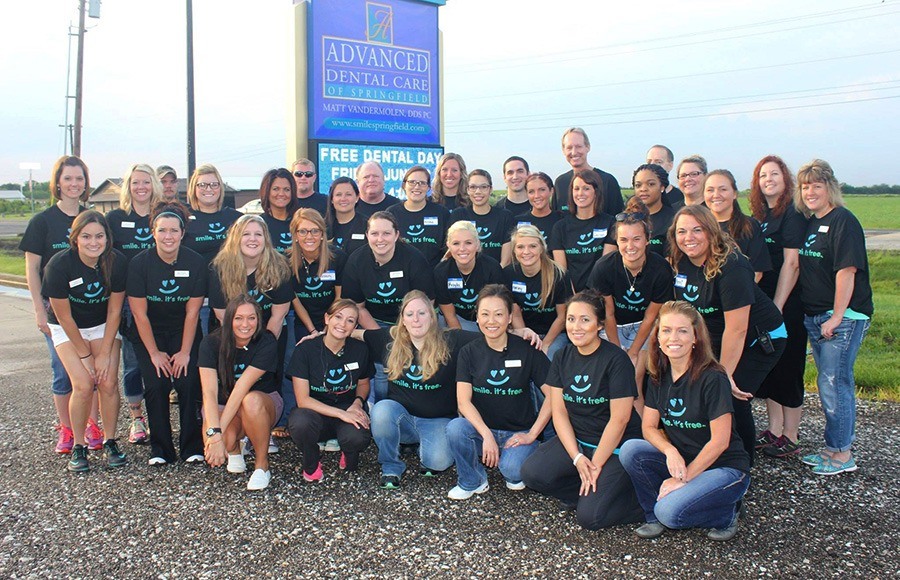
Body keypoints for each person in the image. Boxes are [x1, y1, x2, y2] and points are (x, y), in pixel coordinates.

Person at [620, 301, 751, 542]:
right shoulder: (659, 375)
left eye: (682, 331)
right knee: (631, 450)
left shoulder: (713, 377)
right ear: (658, 336)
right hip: (684, 458)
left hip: (724, 467)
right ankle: (652, 515)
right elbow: (648, 427)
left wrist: (685, 477)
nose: (674, 337)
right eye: (666, 330)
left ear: (695, 337)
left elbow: (720, 442)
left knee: (671, 514)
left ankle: (726, 512)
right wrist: (670, 450)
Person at [668, 205, 785, 463]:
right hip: (718, 336)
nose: (689, 237)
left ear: (711, 231)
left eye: (697, 230)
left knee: (731, 395)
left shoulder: (732, 266)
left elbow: (738, 327)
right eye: (682, 231)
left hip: (760, 338)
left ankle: (742, 466)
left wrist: (725, 374)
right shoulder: (682, 262)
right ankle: (710, 452)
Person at [520, 291, 644, 530]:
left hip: (617, 446)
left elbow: (619, 421)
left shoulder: (616, 360)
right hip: (581, 440)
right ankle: (588, 490)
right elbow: (559, 412)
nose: (576, 326)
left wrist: (595, 465)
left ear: (599, 324)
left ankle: (647, 503)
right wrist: (577, 458)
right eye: (571, 319)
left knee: (591, 518)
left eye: (585, 320)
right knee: (532, 473)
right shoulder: (563, 355)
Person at [794, 159, 873, 475]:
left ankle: (842, 454)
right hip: (816, 316)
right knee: (828, 382)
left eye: (816, 185)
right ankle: (831, 448)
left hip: (842, 317)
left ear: (830, 187)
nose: (810, 191)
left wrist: (837, 316)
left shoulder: (843, 221)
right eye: (805, 186)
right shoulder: (812, 222)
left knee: (834, 382)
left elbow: (847, 270)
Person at [364, 290, 479, 489]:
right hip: (402, 420)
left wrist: (521, 332)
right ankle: (391, 466)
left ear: (432, 317)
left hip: (437, 420)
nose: (416, 319)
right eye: (409, 314)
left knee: (439, 462)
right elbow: (354, 334)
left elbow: (491, 337)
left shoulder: (453, 340)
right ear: (403, 320)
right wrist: (319, 335)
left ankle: (424, 448)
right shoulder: (389, 340)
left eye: (422, 313)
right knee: (381, 410)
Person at [42, 211, 129, 471]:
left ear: (107, 238)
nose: (94, 242)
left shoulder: (117, 262)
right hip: (68, 328)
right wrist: (85, 355)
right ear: (75, 238)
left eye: (99, 236)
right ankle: (79, 445)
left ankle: (110, 440)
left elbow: (115, 311)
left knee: (108, 382)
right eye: (87, 236)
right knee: (82, 384)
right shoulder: (58, 265)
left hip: (103, 325)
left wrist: (103, 353)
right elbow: (64, 317)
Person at [20, 155, 95, 454]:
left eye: (79, 178)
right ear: (58, 183)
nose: (74, 184)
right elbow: (31, 269)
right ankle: (66, 428)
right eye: (68, 178)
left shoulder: (91, 218)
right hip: (56, 314)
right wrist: (39, 309)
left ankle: (91, 424)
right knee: (64, 372)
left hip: (91, 310)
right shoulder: (43, 221)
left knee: (93, 374)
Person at [446, 285, 551, 499]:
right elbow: (463, 402)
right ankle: (472, 480)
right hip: (483, 430)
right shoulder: (469, 352)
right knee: (455, 428)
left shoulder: (527, 348)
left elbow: (554, 395)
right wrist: (486, 435)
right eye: (485, 314)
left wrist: (531, 434)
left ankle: (517, 457)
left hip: (518, 432)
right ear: (477, 318)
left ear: (510, 317)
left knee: (511, 472)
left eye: (499, 314)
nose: (491, 321)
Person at [126, 202, 207, 465]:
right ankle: (161, 449)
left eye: (174, 230)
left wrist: (184, 352)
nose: (168, 236)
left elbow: (193, 313)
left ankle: (191, 446)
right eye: (163, 231)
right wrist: (154, 353)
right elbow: (139, 314)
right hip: (150, 331)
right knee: (157, 382)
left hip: (184, 329)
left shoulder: (195, 262)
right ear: (153, 232)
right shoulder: (139, 264)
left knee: (187, 381)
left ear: (183, 233)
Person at [748, 155, 808, 458]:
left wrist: (778, 306)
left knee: (789, 366)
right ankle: (773, 429)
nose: (768, 179)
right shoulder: (762, 216)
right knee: (770, 365)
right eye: (762, 175)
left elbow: (792, 263)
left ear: (785, 179)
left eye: (774, 174)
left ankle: (791, 434)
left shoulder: (792, 214)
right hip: (765, 302)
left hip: (786, 304)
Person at [588, 198, 673, 410]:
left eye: (636, 239)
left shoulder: (660, 268)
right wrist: (618, 351)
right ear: (617, 241)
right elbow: (608, 314)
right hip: (613, 326)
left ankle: (643, 432)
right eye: (624, 240)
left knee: (633, 378)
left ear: (647, 240)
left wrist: (633, 352)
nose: (630, 246)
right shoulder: (604, 267)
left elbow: (651, 316)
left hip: (643, 327)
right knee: (609, 376)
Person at [199, 295, 282, 490]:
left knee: (250, 400)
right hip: (224, 403)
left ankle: (262, 465)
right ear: (229, 319)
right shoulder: (211, 343)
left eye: (251, 318)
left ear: (258, 319)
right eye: (238, 318)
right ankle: (235, 449)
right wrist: (215, 436)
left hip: (262, 403)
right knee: (219, 438)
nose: (245, 324)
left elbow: (240, 388)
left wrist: (216, 435)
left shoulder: (266, 341)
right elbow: (209, 392)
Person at [107, 163, 163, 444]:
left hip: (164, 298)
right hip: (130, 303)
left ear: (154, 184)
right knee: (132, 362)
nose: (141, 187)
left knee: (161, 358)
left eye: (146, 182)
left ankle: (161, 415)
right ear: (128, 186)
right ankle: (136, 418)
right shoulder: (116, 219)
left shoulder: (163, 216)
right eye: (135, 182)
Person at [287, 299, 373, 481]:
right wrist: (341, 414)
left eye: (350, 320)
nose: (342, 324)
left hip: (347, 408)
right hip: (315, 412)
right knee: (299, 423)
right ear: (327, 318)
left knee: (356, 437)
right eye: (338, 317)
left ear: (355, 326)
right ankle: (311, 461)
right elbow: (303, 400)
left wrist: (357, 404)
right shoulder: (305, 350)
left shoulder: (360, 350)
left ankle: (349, 452)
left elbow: (364, 383)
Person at [282, 208, 347, 437]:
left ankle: (334, 419)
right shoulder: (287, 260)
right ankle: (292, 416)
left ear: (322, 233)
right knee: (295, 357)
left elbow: (340, 296)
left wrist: (329, 327)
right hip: (301, 319)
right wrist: (312, 330)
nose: (309, 236)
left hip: (333, 318)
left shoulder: (336, 256)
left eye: (314, 231)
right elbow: (294, 299)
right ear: (295, 234)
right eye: (303, 231)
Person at [341, 211, 435, 330]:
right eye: (374, 233)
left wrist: (404, 332)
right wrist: (379, 336)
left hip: (412, 321)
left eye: (386, 233)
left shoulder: (415, 259)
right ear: (367, 235)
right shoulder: (356, 261)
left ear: (396, 235)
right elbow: (356, 307)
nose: (380, 239)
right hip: (373, 321)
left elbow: (427, 303)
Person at [504, 225, 572, 360]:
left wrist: (545, 344)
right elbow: (516, 314)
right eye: (520, 247)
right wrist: (526, 338)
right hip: (526, 331)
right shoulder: (509, 273)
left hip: (555, 334)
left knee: (548, 359)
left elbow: (562, 317)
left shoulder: (559, 274)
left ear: (542, 248)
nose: (526, 252)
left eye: (532, 246)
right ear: (514, 250)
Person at [549, 169, 616, 292]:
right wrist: (575, 298)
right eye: (576, 189)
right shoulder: (560, 227)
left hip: (600, 295)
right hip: (572, 297)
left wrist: (592, 298)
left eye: (586, 188)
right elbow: (563, 271)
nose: (580, 193)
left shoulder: (609, 223)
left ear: (596, 192)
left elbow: (605, 267)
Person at [434, 221, 504, 332]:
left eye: (468, 243)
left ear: (477, 244)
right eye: (456, 243)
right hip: (457, 319)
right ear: (448, 245)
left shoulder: (492, 268)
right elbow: (450, 316)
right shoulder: (441, 271)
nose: (462, 248)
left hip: (487, 320)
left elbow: (496, 309)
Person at [704, 169, 772, 280]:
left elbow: (757, 272)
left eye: (723, 189)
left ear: (735, 194)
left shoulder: (749, 226)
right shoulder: (698, 226)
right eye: (710, 190)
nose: (716, 195)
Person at [387, 165, 451, 267]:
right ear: (404, 185)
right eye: (412, 182)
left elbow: (448, 247)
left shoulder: (441, 213)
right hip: (401, 275)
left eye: (422, 183)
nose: (417, 187)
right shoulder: (392, 213)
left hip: (433, 276)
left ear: (428, 188)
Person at [450, 170, 514, 266]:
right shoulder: (458, 215)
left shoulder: (505, 216)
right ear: (467, 190)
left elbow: (506, 261)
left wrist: (493, 276)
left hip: (496, 277)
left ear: (491, 189)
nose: (478, 192)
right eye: (473, 187)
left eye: (483, 187)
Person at [553, 128, 624, 215]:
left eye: (578, 146)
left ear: (588, 147)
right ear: (563, 150)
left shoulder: (607, 181)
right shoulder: (560, 183)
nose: (574, 152)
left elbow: (617, 221)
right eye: (569, 148)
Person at [183, 164, 242, 265]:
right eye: (202, 185)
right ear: (194, 188)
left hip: (228, 278)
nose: (209, 189)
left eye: (214, 184)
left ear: (220, 187)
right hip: (196, 278)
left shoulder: (236, 218)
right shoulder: (183, 216)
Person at [632, 164, 676, 257]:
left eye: (651, 184)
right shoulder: (627, 218)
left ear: (662, 187)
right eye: (638, 185)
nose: (643, 189)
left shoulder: (674, 220)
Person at [259, 168, 299, 254]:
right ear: (266, 191)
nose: (281, 194)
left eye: (286, 189)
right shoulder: (259, 224)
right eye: (276, 189)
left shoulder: (300, 221)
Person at [326, 177, 368, 256]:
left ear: (357, 197)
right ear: (332, 199)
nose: (343, 199)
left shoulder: (367, 225)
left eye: (348, 194)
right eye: (338, 195)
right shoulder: (322, 227)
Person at [515, 172, 563, 240]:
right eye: (531, 191)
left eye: (542, 190)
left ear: (551, 191)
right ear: (526, 194)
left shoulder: (562, 219)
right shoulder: (519, 221)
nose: (537, 196)